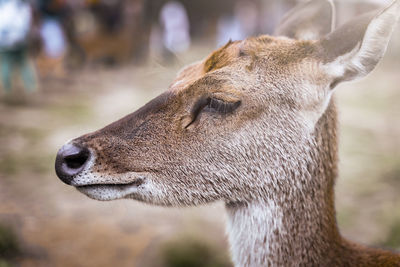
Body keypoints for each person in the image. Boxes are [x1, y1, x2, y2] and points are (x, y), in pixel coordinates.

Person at [0, 0, 37, 92]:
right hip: (17, 38)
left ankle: (8, 90)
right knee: (22, 64)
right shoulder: (22, 6)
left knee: (7, 63)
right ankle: (30, 89)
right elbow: (26, 24)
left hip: (7, 39)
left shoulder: (5, 5)